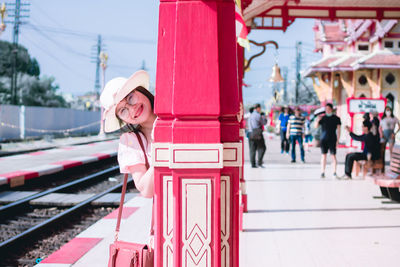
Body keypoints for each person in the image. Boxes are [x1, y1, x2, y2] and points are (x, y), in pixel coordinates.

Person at [100, 70, 156, 246]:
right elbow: (146, 190)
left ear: (141, 90)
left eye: (131, 97)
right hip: (168, 222)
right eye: (123, 111)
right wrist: (162, 147)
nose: (132, 109)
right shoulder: (130, 142)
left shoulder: (174, 115)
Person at [316, 103, 341, 178]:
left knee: (333, 155)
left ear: (331, 109)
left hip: (332, 139)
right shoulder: (323, 118)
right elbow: (316, 126)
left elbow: (339, 130)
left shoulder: (336, 118)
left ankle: (334, 172)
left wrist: (338, 140)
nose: (327, 110)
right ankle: (322, 172)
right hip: (324, 139)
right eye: (326, 109)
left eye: (328, 109)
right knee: (323, 155)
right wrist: (317, 120)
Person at [248, 103, 266, 168]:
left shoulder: (250, 115)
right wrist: (263, 117)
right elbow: (264, 122)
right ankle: (259, 162)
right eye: (260, 108)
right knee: (262, 148)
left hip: (250, 133)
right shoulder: (258, 115)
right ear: (258, 108)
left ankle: (253, 164)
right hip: (257, 133)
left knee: (252, 149)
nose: (260, 109)